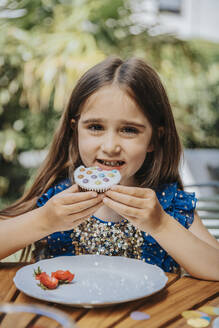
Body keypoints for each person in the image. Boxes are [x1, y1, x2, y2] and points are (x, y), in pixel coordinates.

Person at [0, 57, 218, 280]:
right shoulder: (56, 198)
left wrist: (161, 225)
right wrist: (44, 221)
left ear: (154, 138)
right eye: (95, 127)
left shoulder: (168, 204)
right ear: (75, 131)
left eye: (129, 130)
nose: (110, 146)